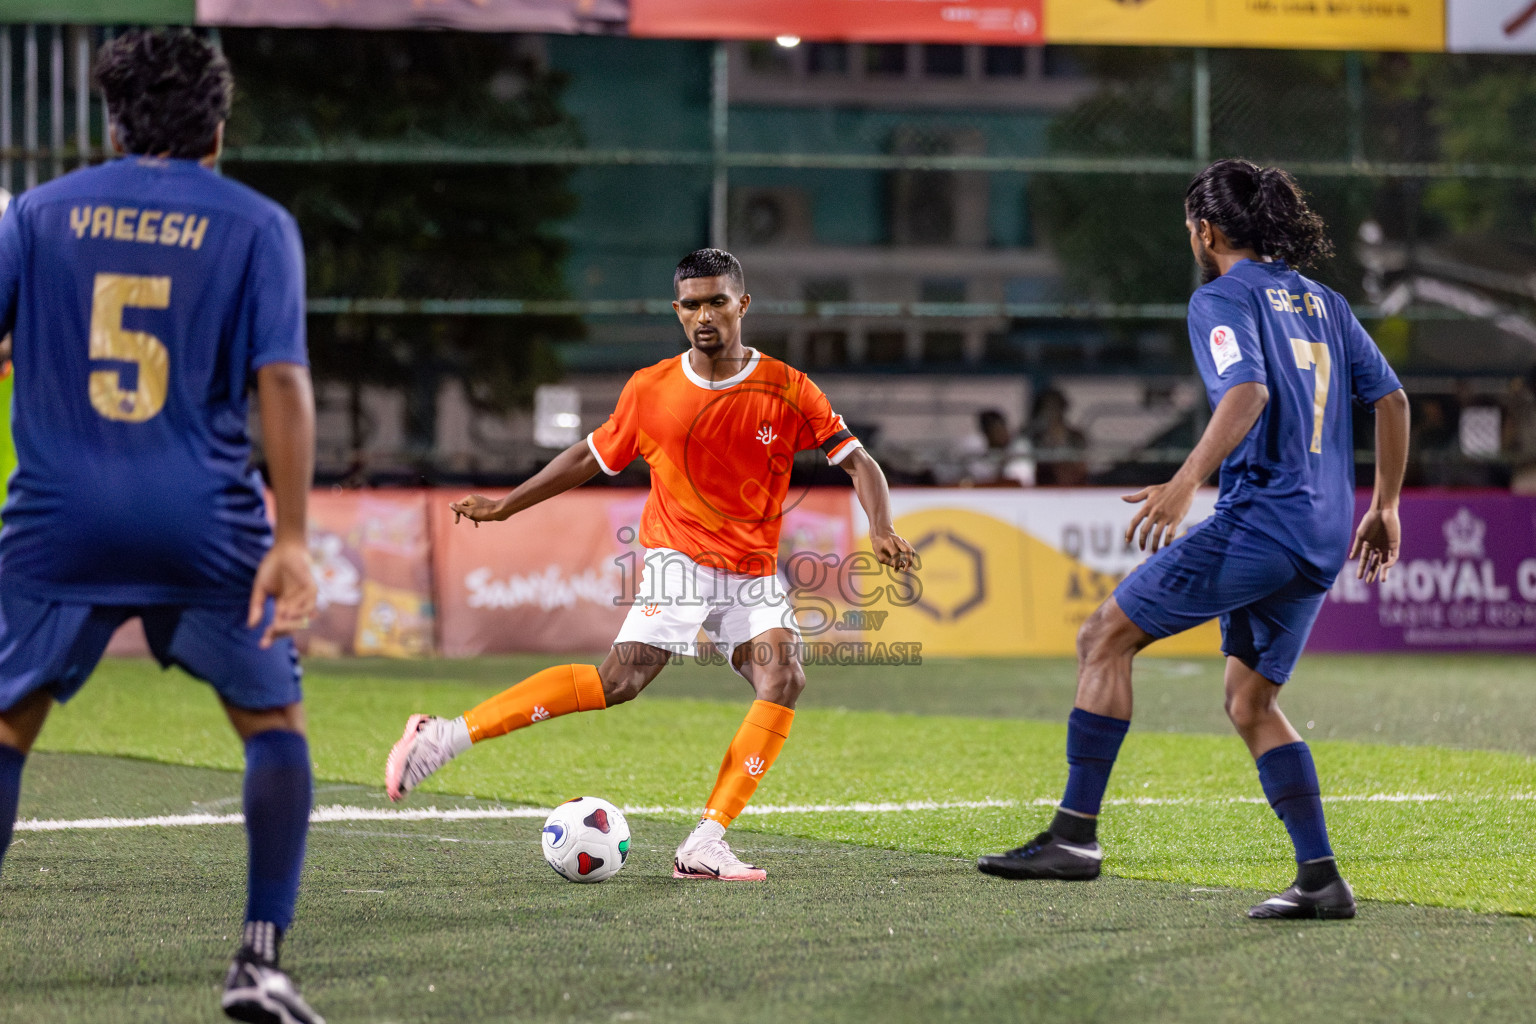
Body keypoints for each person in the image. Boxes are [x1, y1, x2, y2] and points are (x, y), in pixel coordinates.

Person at [386, 248, 915, 880]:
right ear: (677, 311)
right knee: (620, 683)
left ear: (742, 304)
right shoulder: (650, 388)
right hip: (679, 559)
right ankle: (442, 737)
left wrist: (881, 527)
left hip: (751, 572)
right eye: (691, 304)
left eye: (717, 300)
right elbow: (586, 458)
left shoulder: (787, 386)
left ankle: (705, 843)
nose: (704, 315)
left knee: (785, 678)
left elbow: (857, 460)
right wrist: (505, 506)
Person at [977, 159, 1410, 920]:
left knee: (1103, 637)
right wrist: (1389, 506)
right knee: (1250, 702)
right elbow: (1392, 398)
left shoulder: (1219, 295)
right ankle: (1320, 879)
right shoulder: (1326, 303)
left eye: (1190, 226)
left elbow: (1248, 390)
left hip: (1264, 520)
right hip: (1322, 531)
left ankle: (1074, 837)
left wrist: (1183, 484)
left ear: (1205, 230)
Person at [0, 31, 323, 1022]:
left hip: (58, 518)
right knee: (272, 724)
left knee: (8, 727)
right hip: (202, 519)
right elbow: (282, 381)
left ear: (113, 121)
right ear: (218, 127)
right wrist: (295, 537)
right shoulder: (258, 224)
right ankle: (259, 958)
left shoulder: (38, 215)